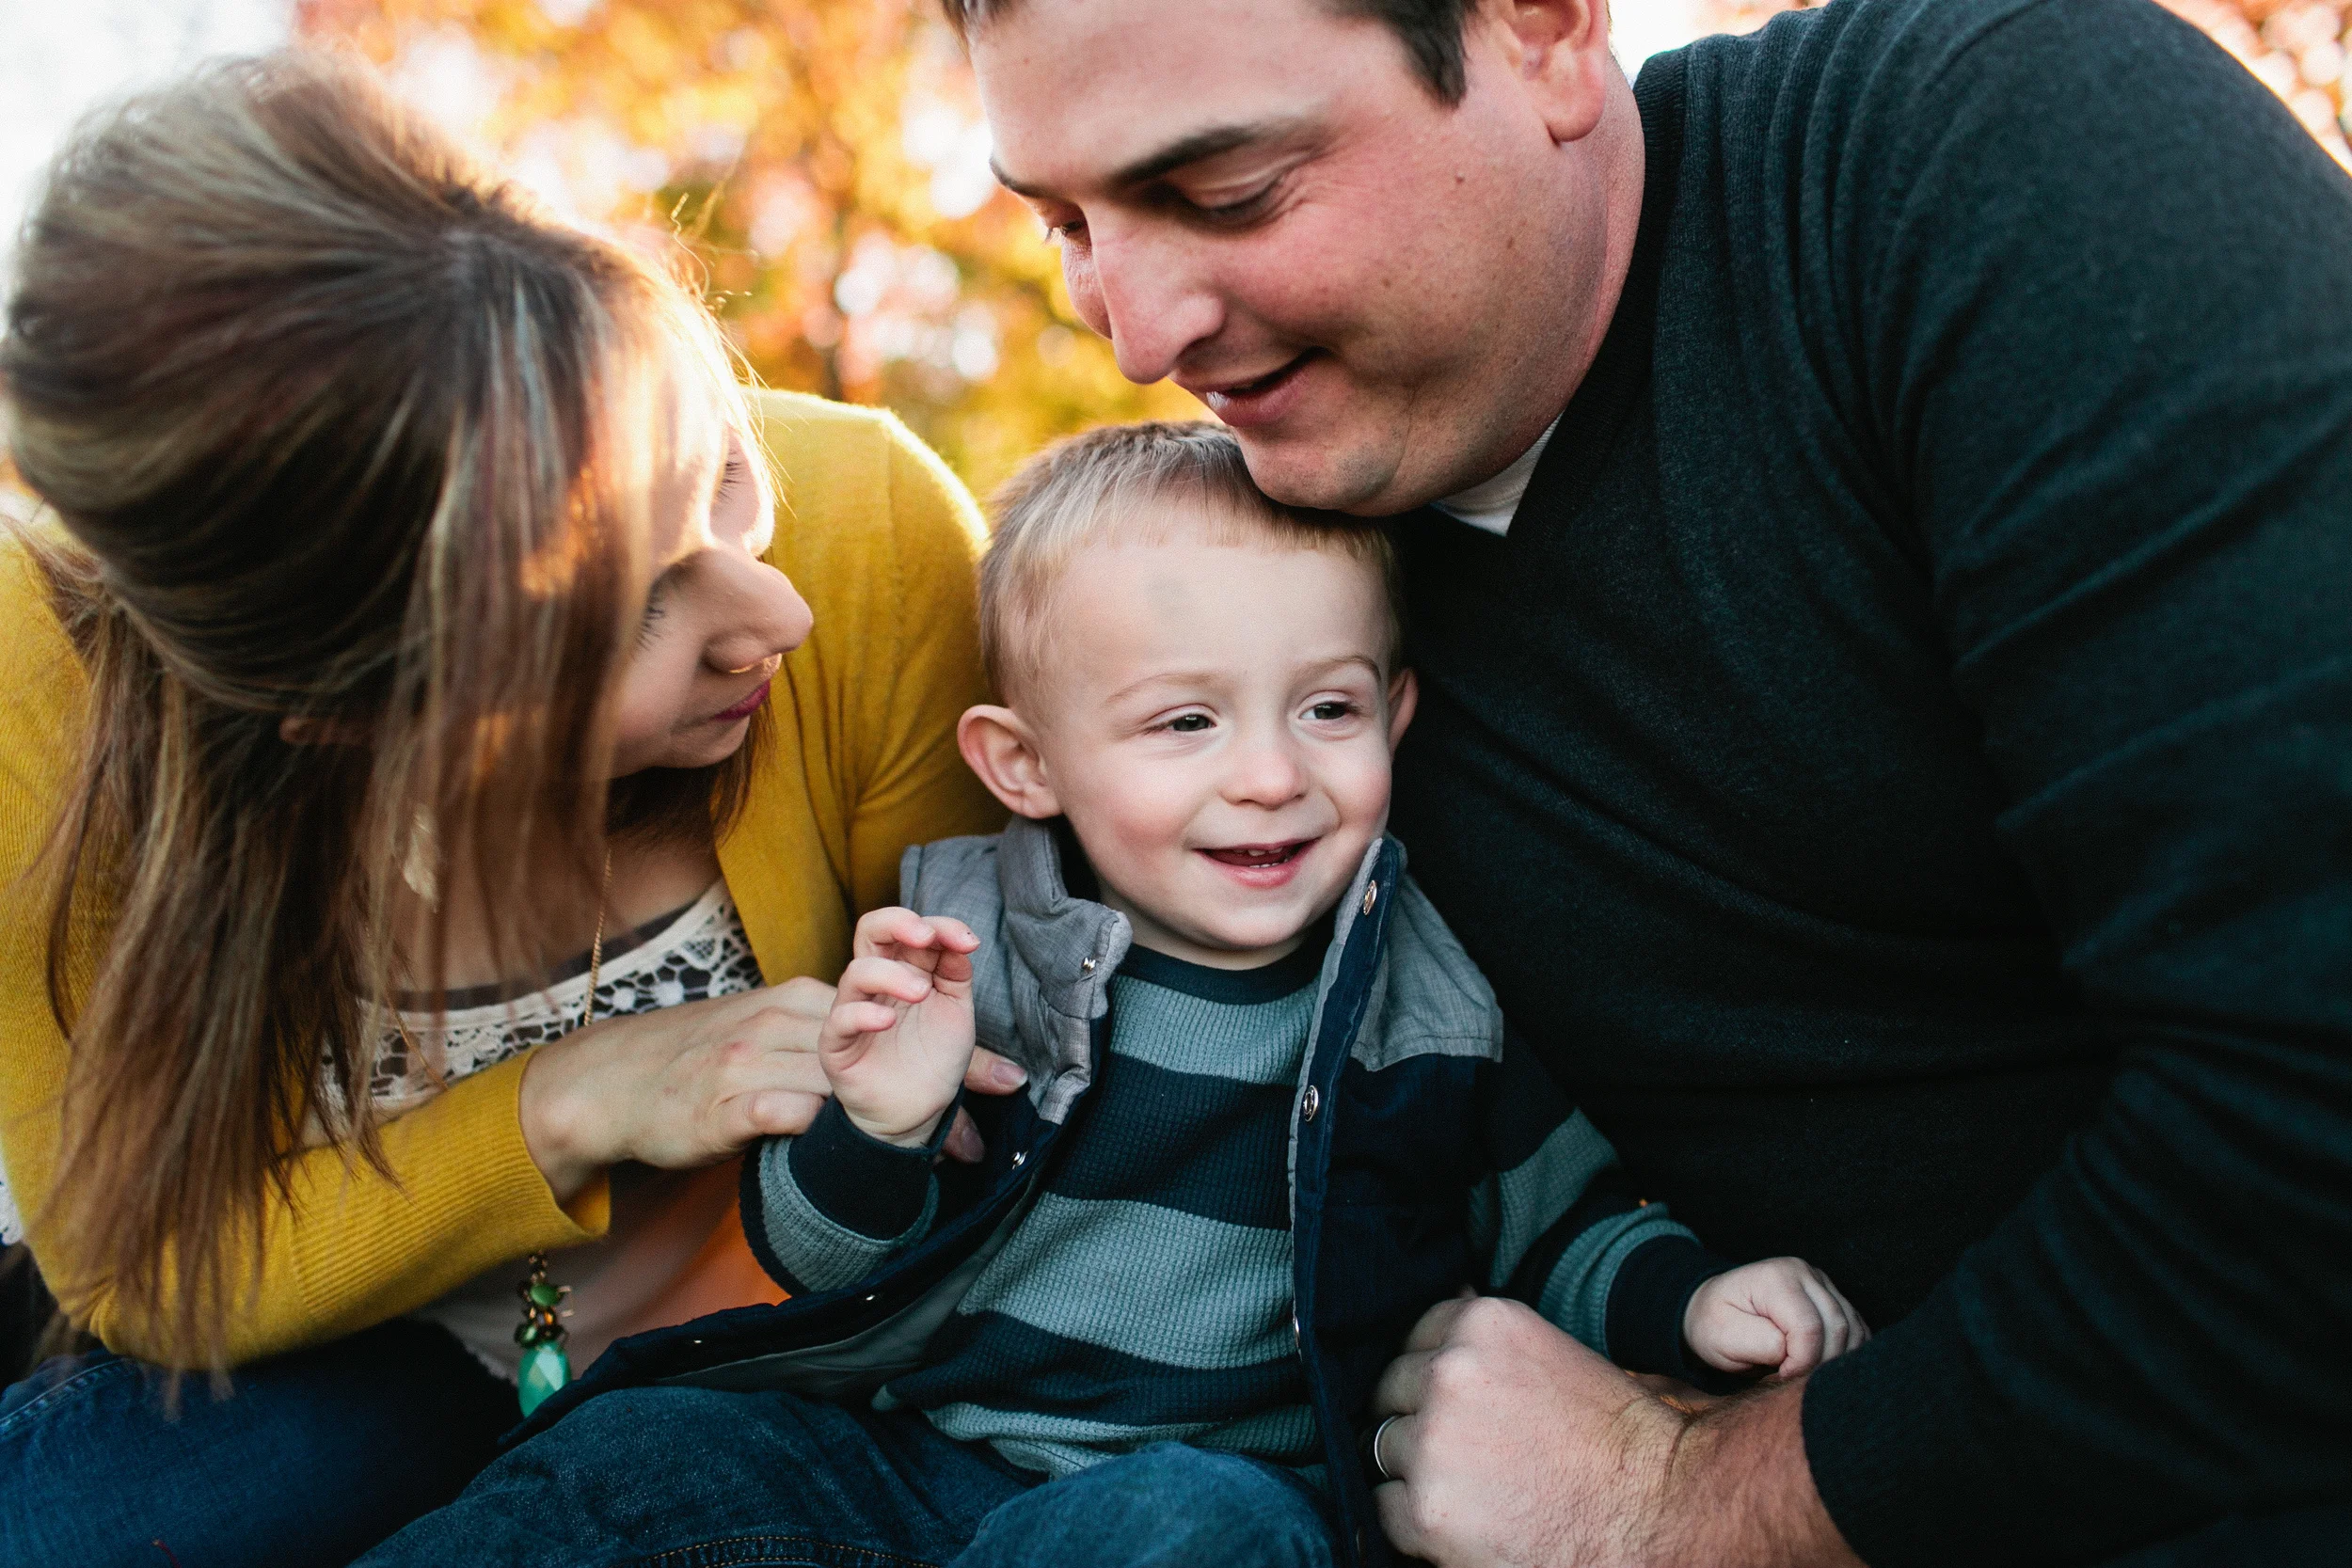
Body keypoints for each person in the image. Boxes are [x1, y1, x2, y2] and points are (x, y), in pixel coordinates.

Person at [941, 0, 2352, 1564]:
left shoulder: (1988, 161)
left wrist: (1680, 1506)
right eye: (1067, 222)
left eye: (1228, 193)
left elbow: (2307, 1102)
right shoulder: (1268, 607)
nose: (1135, 336)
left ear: (1542, 33)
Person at [351, 420, 1870, 1567]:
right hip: (910, 1458)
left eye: (1328, 707)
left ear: (1397, 712)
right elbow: (817, 1259)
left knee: (1195, 1531)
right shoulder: (969, 941)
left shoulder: (1424, 990)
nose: (1269, 771)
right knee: (652, 1453)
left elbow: (1559, 1219)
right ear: (1026, 765)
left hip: (1200, 1499)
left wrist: (1689, 1298)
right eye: (1185, 720)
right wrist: (878, 1120)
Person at [0, 53, 1014, 1568]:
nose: (774, 610)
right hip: (334, 1367)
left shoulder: (869, 527)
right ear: (351, 712)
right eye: (637, 610)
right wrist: (572, 1097)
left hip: (770, 1368)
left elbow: (989, 1130)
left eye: (722, 472)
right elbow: (138, 1254)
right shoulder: (44, 681)